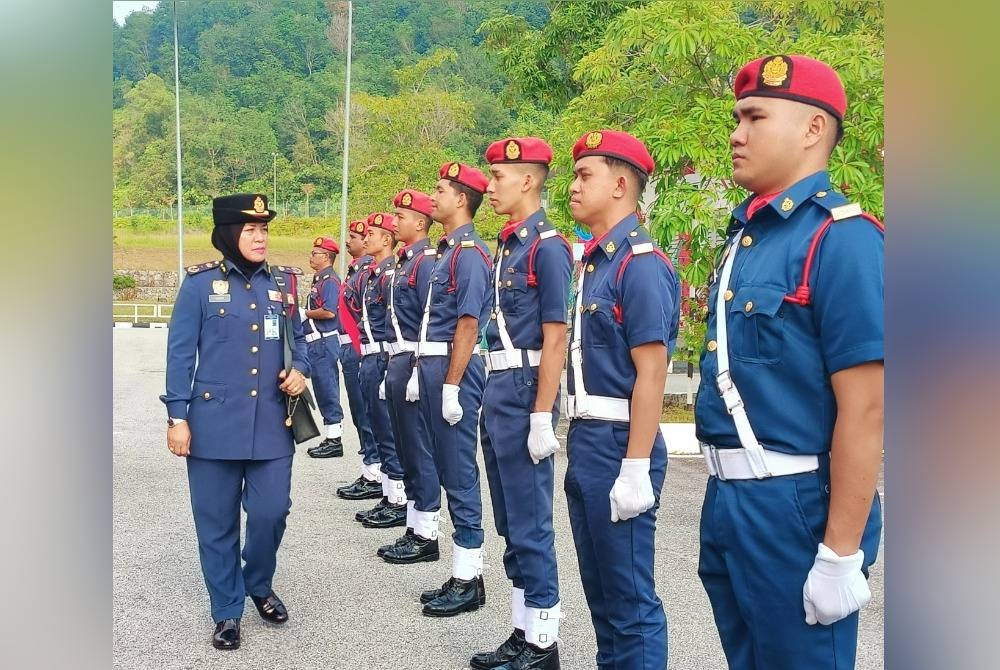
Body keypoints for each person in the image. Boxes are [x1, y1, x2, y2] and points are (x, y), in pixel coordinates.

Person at [695, 54, 884, 670]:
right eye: (736, 118)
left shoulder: (842, 238)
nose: (736, 133)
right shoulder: (746, 238)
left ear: (811, 130)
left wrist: (839, 553)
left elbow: (868, 408)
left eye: (754, 117)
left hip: (795, 505)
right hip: (729, 499)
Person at [161, 193, 311, 650]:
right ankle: (227, 610)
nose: (261, 237)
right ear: (229, 234)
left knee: (271, 512)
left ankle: (258, 584)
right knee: (216, 523)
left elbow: (299, 340)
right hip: (212, 426)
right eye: (251, 230)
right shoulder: (199, 286)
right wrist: (177, 417)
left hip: (271, 425)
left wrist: (300, 371)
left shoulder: (283, 284)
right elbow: (180, 354)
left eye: (264, 229)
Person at [564, 131, 679, 669]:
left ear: (620, 183)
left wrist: (636, 465)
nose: (572, 186)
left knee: (630, 598)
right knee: (601, 593)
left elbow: (652, 371)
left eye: (585, 175)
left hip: (619, 443)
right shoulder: (597, 262)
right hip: (588, 438)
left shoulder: (641, 264)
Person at [470, 137, 571, 670]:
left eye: (500, 177)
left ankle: (544, 644)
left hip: (528, 386)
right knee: (510, 520)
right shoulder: (511, 244)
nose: (489, 186)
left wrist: (541, 414)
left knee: (532, 521)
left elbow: (556, 336)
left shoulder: (547, 245)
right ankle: (522, 630)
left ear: (528, 180)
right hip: (499, 386)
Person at [413, 162, 492, 617]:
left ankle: (470, 576)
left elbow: (467, 321)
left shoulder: (470, 254)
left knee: (460, 471)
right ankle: (463, 569)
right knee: (445, 466)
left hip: (453, 368)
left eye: (440, 189)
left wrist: (452, 384)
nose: (434, 196)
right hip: (437, 364)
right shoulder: (449, 252)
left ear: (461, 199)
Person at [378, 189, 443, 563]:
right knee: (405, 445)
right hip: (398, 359)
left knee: (419, 449)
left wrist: (418, 367)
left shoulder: (425, 263)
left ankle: (427, 532)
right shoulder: (407, 261)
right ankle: (415, 526)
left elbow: (426, 320)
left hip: (414, 360)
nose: (394, 221)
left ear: (420, 223)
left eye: (401, 216)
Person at [353, 212, 409, 528]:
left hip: (383, 356)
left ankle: (398, 499)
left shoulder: (389, 275)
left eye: (372, 233)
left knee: (388, 432)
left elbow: (394, 324)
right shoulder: (376, 274)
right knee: (376, 425)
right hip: (370, 356)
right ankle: (388, 495)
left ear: (386, 239)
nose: (366, 238)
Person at [334, 220, 382, 500]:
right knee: (359, 412)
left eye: (354, 236)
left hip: (359, 347)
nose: (350, 241)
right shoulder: (356, 270)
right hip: (350, 347)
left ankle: (374, 471)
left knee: (367, 414)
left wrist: (360, 349)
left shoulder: (366, 271)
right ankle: (370, 467)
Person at [301, 236, 346, 458]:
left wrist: (305, 313)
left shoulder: (329, 281)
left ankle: (334, 437)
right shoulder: (320, 280)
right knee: (320, 387)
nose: (311, 256)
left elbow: (329, 311)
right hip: (315, 342)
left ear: (327, 257)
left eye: (315, 253)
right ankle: (330, 434)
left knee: (327, 388)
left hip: (324, 341)